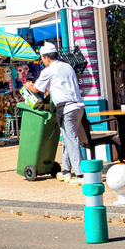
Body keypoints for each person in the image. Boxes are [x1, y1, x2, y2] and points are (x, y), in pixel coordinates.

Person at [32, 42, 86, 178]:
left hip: (66, 108)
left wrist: (27, 84)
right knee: (69, 138)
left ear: (47, 58)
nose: (42, 62)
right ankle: (66, 169)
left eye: (42, 59)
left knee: (71, 139)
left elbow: (35, 89)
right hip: (79, 106)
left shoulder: (49, 70)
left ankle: (80, 173)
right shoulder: (67, 66)